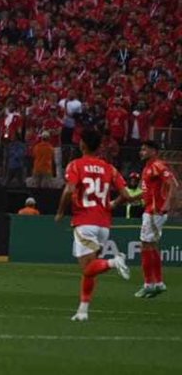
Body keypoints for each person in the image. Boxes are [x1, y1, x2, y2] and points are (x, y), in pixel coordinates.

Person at [54, 129, 133, 321]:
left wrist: (60, 211)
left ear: (82, 144)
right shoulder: (109, 168)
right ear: (98, 147)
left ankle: (114, 262)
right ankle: (83, 311)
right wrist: (112, 204)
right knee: (91, 270)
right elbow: (126, 195)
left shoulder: (76, 165)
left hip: (84, 221)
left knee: (87, 268)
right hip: (104, 225)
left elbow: (69, 190)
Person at [134, 139, 175, 298]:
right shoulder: (147, 167)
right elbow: (145, 191)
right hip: (151, 210)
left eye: (144, 149)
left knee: (145, 245)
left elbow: (172, 184)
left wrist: (167, 203)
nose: (141, 152)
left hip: (154, 211)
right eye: (141, 149)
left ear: (153, 151)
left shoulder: (158, 165)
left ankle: (149, 284)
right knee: (151, 245)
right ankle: (158, 283)